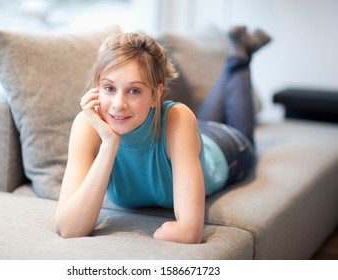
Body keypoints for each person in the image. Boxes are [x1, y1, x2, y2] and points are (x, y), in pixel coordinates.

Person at [55, 26, 271, 244]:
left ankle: (240, 56)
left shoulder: (179, 118)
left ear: (155, 95)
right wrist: (109, 143)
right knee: (198, 121)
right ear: (97, 88)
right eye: (109, 88)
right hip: (180, 138)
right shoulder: (88, 124)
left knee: (239, 133)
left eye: (134, 90)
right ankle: (239, 55)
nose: (118, 105)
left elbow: (189, 233)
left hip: (224, 147)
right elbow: (69, 228)